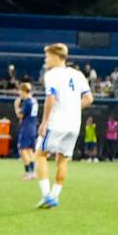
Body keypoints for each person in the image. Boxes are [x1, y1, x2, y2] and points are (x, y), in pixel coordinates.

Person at [34, 43, 93, 209]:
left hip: (56, 121)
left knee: (39, 155)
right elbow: (89, 99)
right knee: (62, 159)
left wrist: (44, 122)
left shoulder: (52, 74)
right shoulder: (78, 74)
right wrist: (73, 108)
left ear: (55, 57)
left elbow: (50, 99)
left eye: (47, 56)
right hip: (74, 123)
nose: (45, 60)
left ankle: (46, 195)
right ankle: (54, 196)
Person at [12, 82, 39, 180]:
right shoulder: (34, 101)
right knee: (30, 150)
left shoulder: (27, 102)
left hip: (26, 128)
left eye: (20, 91)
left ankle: (28, 173)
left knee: (23, 150)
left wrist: (16, 106)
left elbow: (20, 115)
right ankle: (33, 173)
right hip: (33, 127)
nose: (20, 93)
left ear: (24, 91)